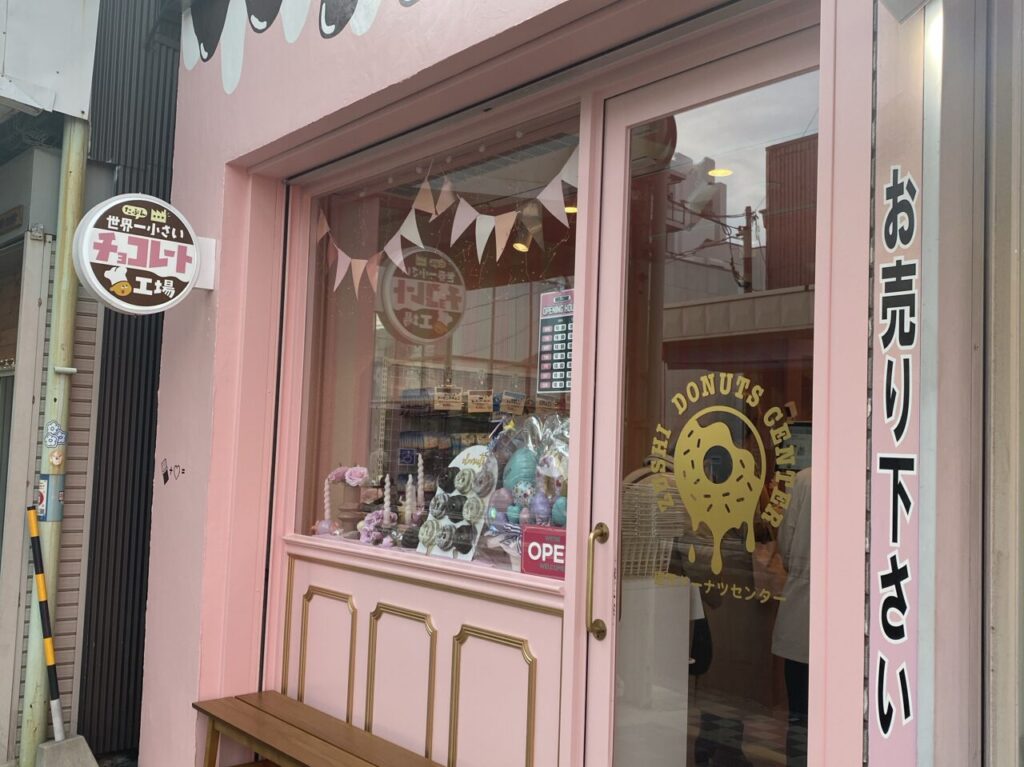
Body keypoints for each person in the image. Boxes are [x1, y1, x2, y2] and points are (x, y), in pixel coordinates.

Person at [771, 467, 812, 767]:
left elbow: (785, 545)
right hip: (846, 625)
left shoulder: (805, 480)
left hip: (801, 610)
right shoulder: (865, 476)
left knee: (798, 714)